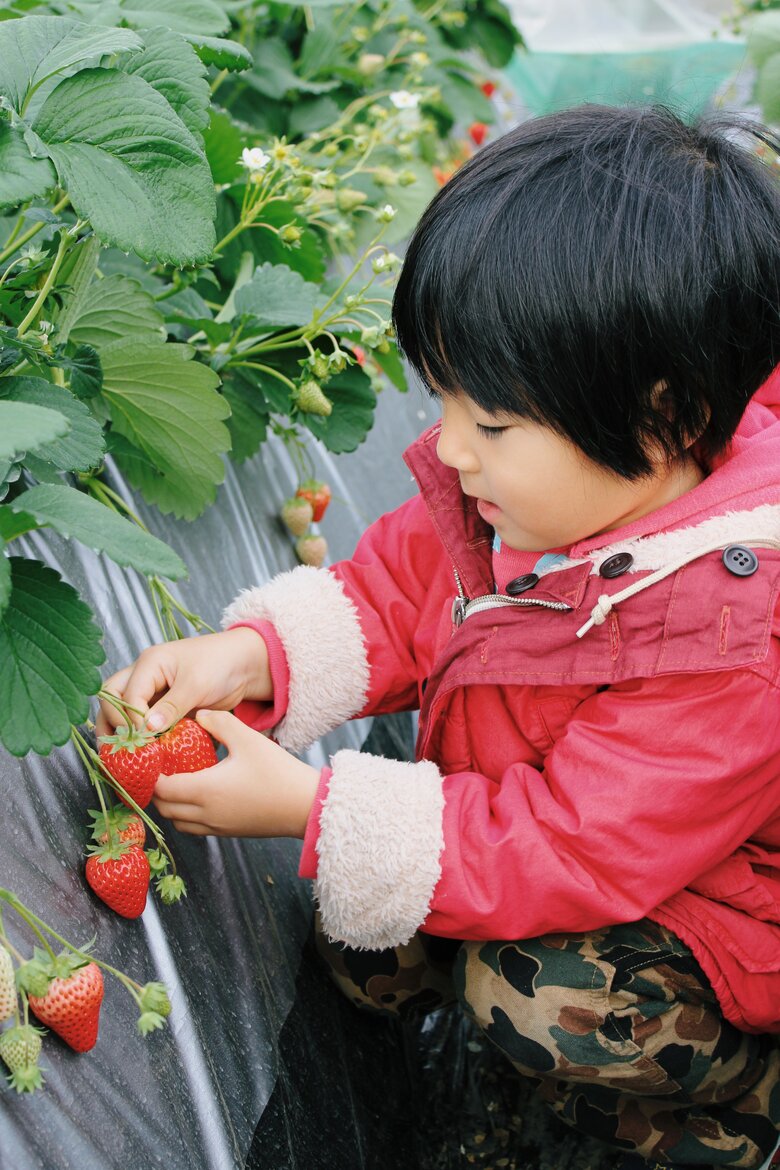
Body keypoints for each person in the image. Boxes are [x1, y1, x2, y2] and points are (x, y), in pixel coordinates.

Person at [97, 105, 780, 1170]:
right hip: (551, 816)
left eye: (492, 423)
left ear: (667, 416)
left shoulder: (739, 640)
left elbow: (571, 845)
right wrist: (259, 657)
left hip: (724, 928)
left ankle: (734, 1113)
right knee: (363, 939)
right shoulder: (545, 491)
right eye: (445, 397)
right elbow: (401, 587)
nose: (449, 446)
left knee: (534, 997)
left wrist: (310, 807)